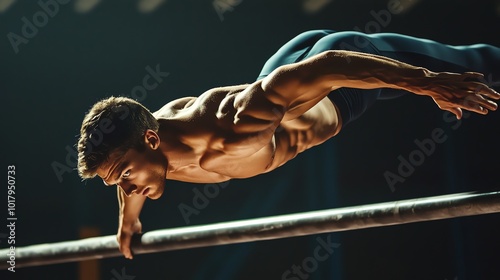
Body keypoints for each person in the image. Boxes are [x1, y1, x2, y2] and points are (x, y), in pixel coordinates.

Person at [76, 30, 500, 259]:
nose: (128, 189)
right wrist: (127, 222)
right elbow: (126, 179)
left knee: (477, 67)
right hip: (286, 71)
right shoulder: (144, 150)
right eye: (118, 181)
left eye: (125, 177)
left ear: (152, 139)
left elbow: (333, 66)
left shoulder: (231, 126)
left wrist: (427, 84)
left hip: (340, 79)